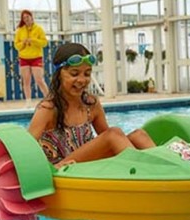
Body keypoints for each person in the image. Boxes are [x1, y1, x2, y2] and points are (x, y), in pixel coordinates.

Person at [28, 42, 156, 168]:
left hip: (88, 166)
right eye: (74, 74)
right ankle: (146, 173)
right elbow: (26, 150)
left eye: (87, 74)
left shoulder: (91, 104)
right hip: (64, 169)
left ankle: (169, 168)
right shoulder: (48, 108)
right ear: (59, 75)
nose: (82, 80)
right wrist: (51, 168)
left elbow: (109, 141)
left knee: (138, 135)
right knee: (114, 134)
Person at [14, 9, 49, 107]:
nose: (26, 19)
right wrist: (23, 43)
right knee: (26, 80)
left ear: (31, 17)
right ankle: (28, 101)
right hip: (24, 58)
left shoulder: (38, 29)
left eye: (27, 17)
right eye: (24, 18)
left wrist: (33, 40)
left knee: (39, 80)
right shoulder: (20, 31)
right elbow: (16, 46)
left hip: (36, 57)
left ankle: (49, 98)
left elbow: (44, 43)